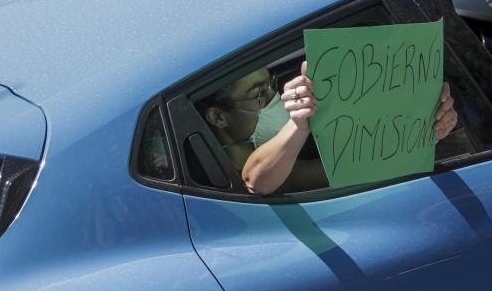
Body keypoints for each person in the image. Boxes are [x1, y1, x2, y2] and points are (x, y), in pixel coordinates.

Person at [197, 62, 459, 195]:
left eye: (270, 85)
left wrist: (419, 131)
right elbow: (257, 180)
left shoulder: (260, 148)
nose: (273, 98)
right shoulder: (226, 170)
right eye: (259, 94)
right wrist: (298, 124)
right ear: (219, 117)